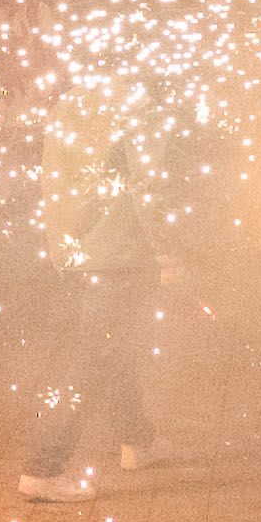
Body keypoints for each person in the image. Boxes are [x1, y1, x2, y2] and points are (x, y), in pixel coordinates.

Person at [18, 122, 159, 502]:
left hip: (82, 252)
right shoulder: (136, 108)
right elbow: (150, 187)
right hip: (120, 253)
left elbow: (53, 182)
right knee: (96, 357)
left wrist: (60, 244)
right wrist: (167, 248)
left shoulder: (73, 103)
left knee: (112, 346)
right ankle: (43, 468)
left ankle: (136, 438)